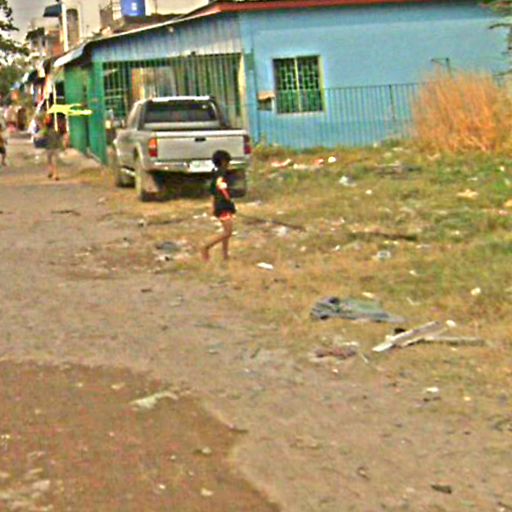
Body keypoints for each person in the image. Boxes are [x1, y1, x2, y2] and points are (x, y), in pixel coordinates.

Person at [201, 150, 237, 261]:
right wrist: (228, 202)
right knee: (227, 232)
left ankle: (225, 255)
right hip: (223, 206)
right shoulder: (222, 174)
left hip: (220, 205)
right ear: (223, 161)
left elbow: (212, 192)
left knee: (226, 231)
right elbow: (223, 190)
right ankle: (206, 247)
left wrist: (213, 206)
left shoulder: (216, 174)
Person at [43, 116, 63, 181]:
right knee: (55, 162)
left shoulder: (45, 131)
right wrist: (61, 147)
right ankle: (56, 175)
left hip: (49, 148)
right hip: (56, 148)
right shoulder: (55, 131)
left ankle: (51, 172)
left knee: (49, 161)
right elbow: (59, 139)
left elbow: (41, 136)